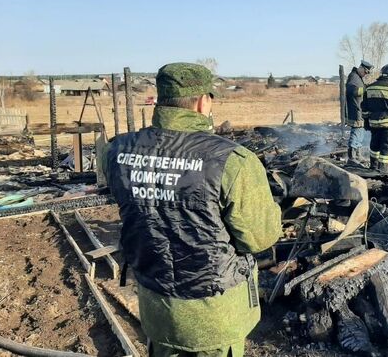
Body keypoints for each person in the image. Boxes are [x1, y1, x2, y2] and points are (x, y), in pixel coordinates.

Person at [103, 62, 282, 357]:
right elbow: (259, 238)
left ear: (161, 99)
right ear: (202, 102)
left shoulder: (117, 151)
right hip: (214, 315)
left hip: (156, 307)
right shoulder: (233, 160)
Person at [362, 64, 388, 173]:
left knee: (375, 146)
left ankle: (373, 167)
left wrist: (366, 122)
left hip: (374, 124)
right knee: (387, 147)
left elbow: (365, 108)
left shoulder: (369, 88)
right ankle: (384, 171)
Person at [345, 60, 374, 164]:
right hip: (355, 110)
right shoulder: (353, 76)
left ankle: (358, 155)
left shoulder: (358, 78)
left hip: (359, 110)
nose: (366, 74)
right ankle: (352, 157)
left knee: (360, 133)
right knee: (356, 132)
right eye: (365, 72)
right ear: (361, 68)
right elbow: (352, 91)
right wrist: (366, 89)